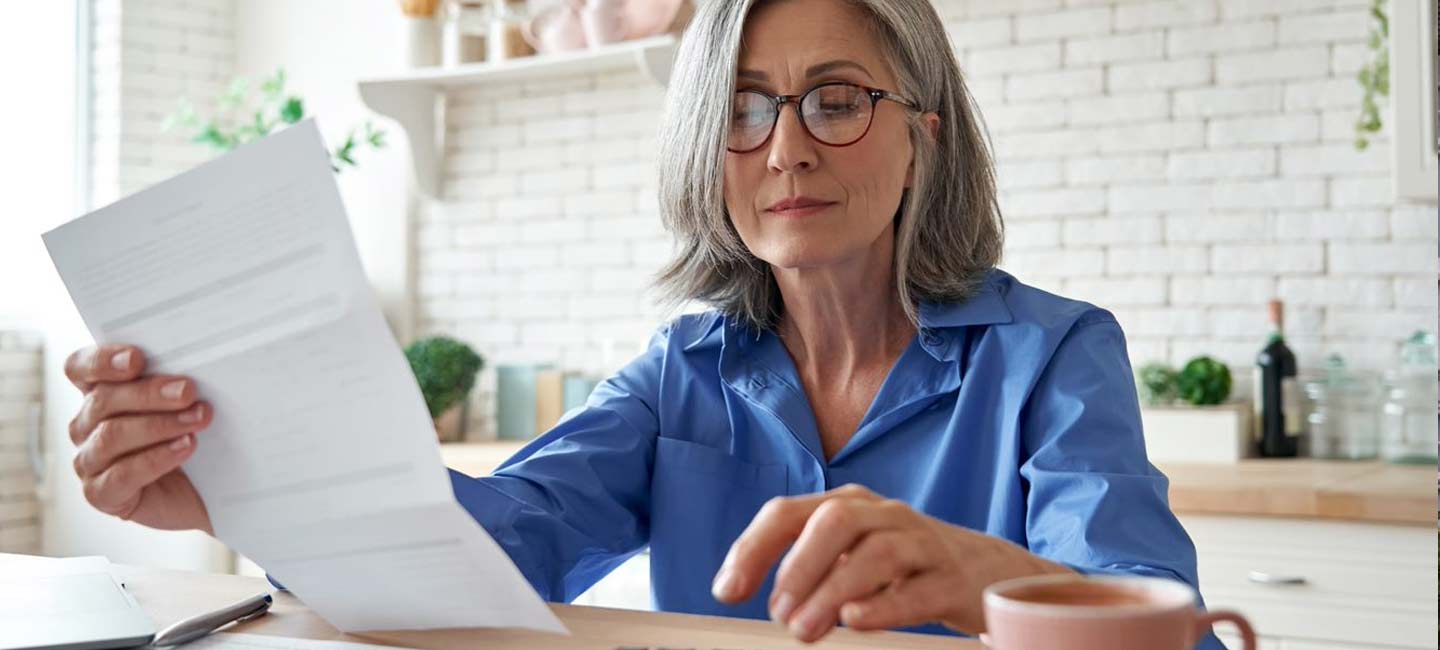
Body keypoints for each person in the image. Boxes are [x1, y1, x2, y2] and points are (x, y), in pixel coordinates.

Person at [63, 0, 1222, 646]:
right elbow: (485, 544)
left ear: (921, 132)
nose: (786, 145)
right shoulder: (685, 371)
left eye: (836, 98)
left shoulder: (1053, 357)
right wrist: (234, 478)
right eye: (743, 108)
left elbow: (1178, 636)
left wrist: (979, 578)